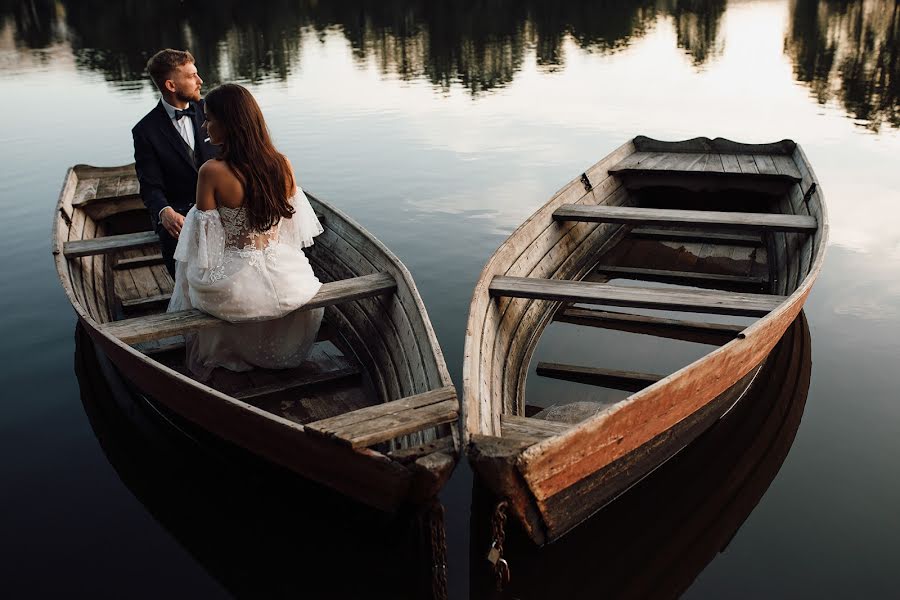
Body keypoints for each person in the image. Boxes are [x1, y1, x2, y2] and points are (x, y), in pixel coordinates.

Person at [167, 83, 325, 380]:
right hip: (286, 275)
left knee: (189, 273)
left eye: (210, 118)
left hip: (235, 276)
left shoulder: (211, 172)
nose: (205, 124)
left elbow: (205, 246)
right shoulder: (282, 164)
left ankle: (229, 354)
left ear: (229, 124)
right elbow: (291, 233)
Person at [132, 49, 219, 277]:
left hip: (222, 206)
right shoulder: (145, 131)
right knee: (183, 272)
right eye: (191, 76)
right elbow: (150, 186)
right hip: (178, 218)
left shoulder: (215, 111)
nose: (200, 81)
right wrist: (164, 212)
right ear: (171, 85)